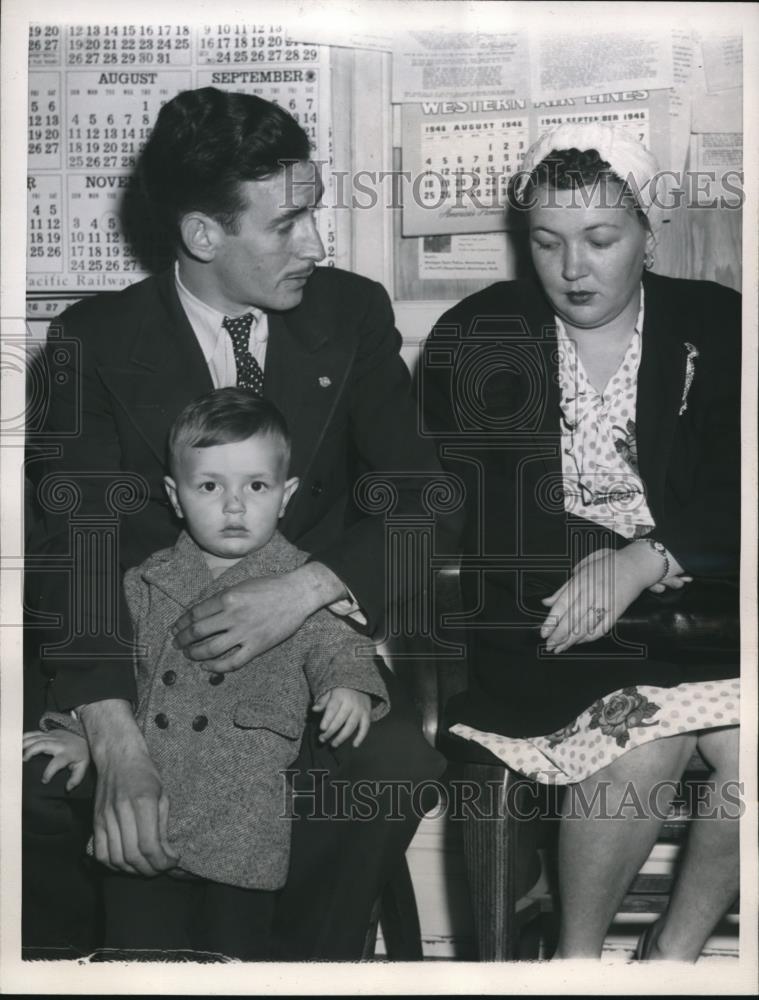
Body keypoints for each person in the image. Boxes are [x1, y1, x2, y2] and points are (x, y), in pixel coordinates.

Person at [24, 86, 446, 961]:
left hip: (306, 659)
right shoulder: (89, 342)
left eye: (315, 214)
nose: (317, 245)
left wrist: (301, 591)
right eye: (287, 224)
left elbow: (421, 497)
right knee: (40, 797)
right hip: (143, 669)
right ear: (203, 236)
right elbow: (77, 548)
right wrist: (117, 741)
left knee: (391, 767)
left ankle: (301, 974)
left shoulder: (352, 313)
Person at [421, 123, 740, 960]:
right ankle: (574, 962)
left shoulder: (719, 323)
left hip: (704, 623)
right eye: (547, 242)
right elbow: (476, 507)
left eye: (600, 239)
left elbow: (739, 487)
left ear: (647, 233)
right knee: (643, 740)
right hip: (553, 623)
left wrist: (649, 556)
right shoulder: (474, 336)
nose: (573, 269)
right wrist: (605, 563)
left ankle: (669, 959)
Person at [24, 389, 391, 960]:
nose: (235, 506)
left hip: (240, 819)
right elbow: (123, 674)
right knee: (135, 961)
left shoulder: (300, 586)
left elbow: (340, 644)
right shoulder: (146, 581)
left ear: (286, 495)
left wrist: (350, 687)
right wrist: (81, 736)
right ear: (175, 496)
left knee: (232, 962)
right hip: (149, 817)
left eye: (257, 487)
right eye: (211, 486)